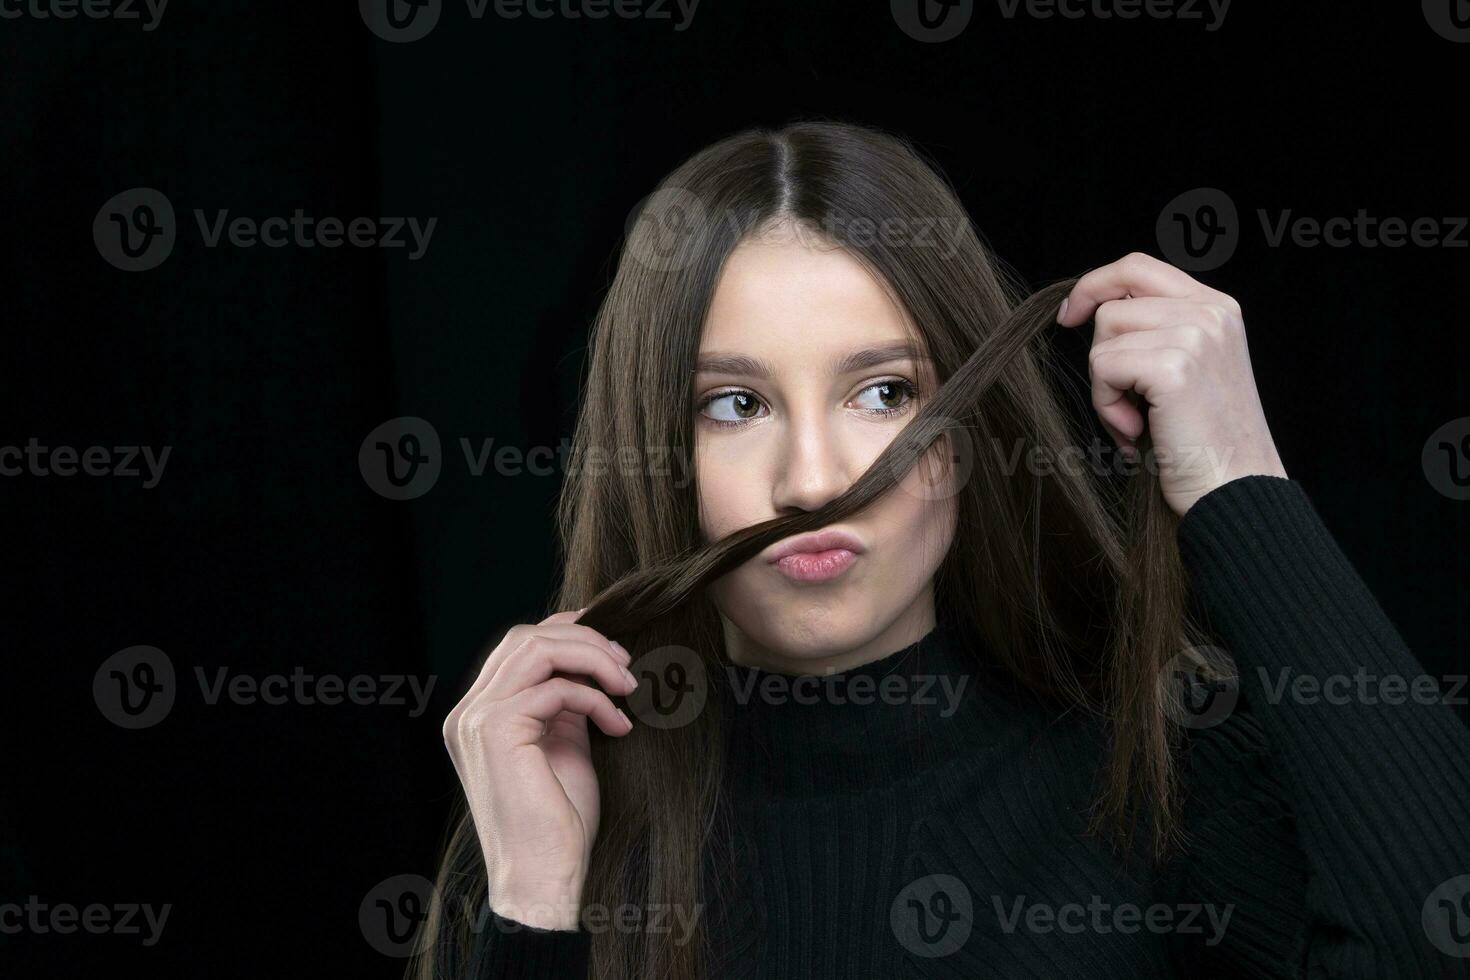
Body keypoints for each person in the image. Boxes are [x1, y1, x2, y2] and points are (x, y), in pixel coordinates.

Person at [417, 121, 1470, 979]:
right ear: (658, 453)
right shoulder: (554, 819)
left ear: (966, 438)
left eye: (883, 392)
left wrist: (1240, 475)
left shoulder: (1152, 774)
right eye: (734, 404)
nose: (817, 480)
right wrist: (535, 911)